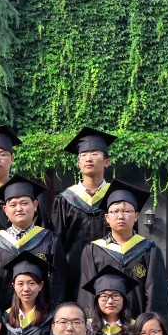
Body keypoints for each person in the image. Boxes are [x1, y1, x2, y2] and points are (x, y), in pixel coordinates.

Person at [77, 180, 168, 331]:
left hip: (138, 329)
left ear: (136, 216)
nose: (121, 216)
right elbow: (88, 293)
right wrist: (92, 327)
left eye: (127, 211)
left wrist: (147, 328)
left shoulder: (149, 250)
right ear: (107, 218)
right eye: (115, 211)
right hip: (103, 330)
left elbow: (155, 293)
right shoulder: (93, 250)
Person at [0, 175, 66, 310]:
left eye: (24, 203)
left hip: (42, 315)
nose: (19, 209)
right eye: (13, 205)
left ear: (35, 205)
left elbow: (58, 282)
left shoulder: (50, 240)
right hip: (3, 316)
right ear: (5, 210)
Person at [51, 127, 117, 296]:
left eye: (95, 153)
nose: (88, 158)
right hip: (73, 275)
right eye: (83, 155)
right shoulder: (65, 199)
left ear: (107, 162)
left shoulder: (116, 198)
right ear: (79, 163)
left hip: (111, 272)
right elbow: (57, 243)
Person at [2, 253, 55, 335]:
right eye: (20, 284)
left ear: (40, 286)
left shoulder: (50, 317)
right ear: (13, 286)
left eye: (31, 283)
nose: (26, 289)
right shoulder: (5, 317)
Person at [84, 265, 140, 335]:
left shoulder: (135, 327)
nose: (110, 301)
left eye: (116, 296)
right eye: (104, 296)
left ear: (124, 300)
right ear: (97, 301)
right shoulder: (87, 327)